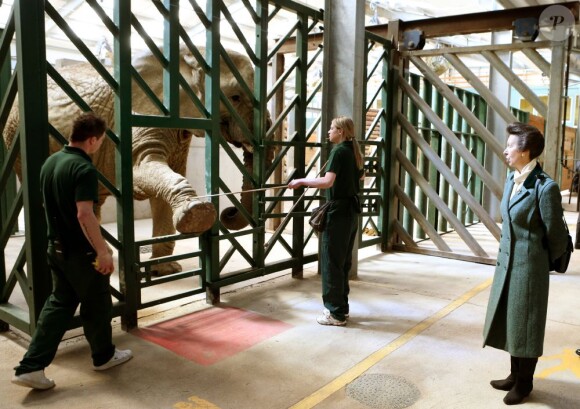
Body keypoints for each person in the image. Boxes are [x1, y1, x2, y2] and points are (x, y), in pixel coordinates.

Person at [11, 112, 132, 390]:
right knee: (98, 303)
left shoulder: (51, 163)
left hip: (56, 249)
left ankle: (30, 366)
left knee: (59, 304)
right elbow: (85, 214)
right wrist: (103, 251)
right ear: (92, 139)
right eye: (100, 141)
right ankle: (103, 356)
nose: (100, 144)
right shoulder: (84, 169)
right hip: (81, 253)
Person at [483, 122, 569, 405]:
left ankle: (525, 383)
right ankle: (513, 373)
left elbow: (555, 233)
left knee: (527, 326)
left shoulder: (546, 188)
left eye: (510, 146)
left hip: (530, 270)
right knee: (513, 321)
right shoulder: (512, 179)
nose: (505, 150)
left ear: (525, 151)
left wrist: (542, 263)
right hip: (508, 265)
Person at [288, 116, 364, 326]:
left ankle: (335, 314)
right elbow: (360, 177)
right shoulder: (354, 151)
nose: (328, 132)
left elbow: (327, 181)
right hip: (351, 211)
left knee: (331, 263)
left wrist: (302, 181)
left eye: (331, 128)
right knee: (342, 262)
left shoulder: (339, 151)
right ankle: (342, 308)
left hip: (338, 211)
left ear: (341, 131)